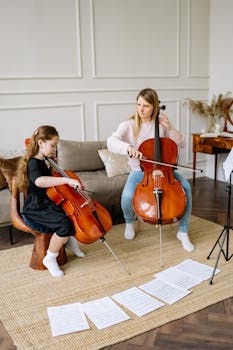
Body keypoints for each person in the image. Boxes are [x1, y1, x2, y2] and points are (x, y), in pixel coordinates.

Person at [107, 88, 194, 252]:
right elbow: (111, 141)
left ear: (154, 106)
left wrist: (171, 129)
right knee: (126, 197)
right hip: (140, 172)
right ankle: (129, 222)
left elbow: (181, 143)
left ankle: (183, 231)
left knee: (187, 189)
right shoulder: (129, 125)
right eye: (138, 104)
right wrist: (127, 148)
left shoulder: (161, 124)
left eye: (146, 106)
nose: (141, 109)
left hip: (165, 171)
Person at [16, 125, 85, 278]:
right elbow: (39, 181)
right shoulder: (33, 162)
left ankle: (69, 242)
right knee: (64, 225)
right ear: (40, 143)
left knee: (70, 214)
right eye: (52, 145)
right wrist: (66, 180)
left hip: (46, 203)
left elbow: (50, 185)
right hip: (36, 208)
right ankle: (50, 257)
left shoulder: (45, 161)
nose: (55, 149)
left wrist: (55, 168)